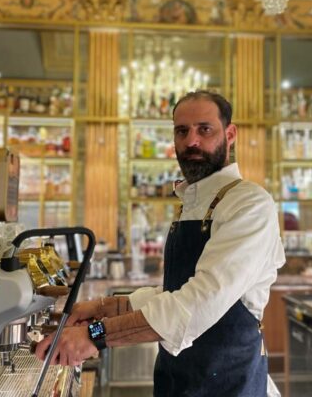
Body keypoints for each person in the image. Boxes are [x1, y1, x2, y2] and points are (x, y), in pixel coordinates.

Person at [35, 90, 286, 396]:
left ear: (229, 134)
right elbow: (174, 291)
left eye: (204, 129)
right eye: (183, 131)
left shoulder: (249, 203)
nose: (192, 141)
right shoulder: (192, 203)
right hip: (177, 378)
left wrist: (94, 334)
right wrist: (105, 306)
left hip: (229, 382)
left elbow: (198, 301)